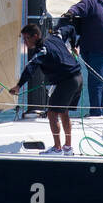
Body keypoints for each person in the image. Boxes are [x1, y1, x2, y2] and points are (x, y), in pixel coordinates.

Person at [9, 23, 84, 152]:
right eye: (24, 39)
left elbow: (30, 67)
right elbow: (70, 28)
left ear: (36, 36)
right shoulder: (56, 36)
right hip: (78, 78)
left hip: (67, 82)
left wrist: (18, 86)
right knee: (63, 112)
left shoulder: (41, 50)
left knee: (52, 113)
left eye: (27, 38)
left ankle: (57, 148)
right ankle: (67, 147)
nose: (25, 42)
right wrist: (73, 46)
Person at [64, 0, 103, 116]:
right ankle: (96, 112)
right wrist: (70, 13)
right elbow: (78, 8)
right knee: (97, 83)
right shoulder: (91, 1)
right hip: (94, 51)